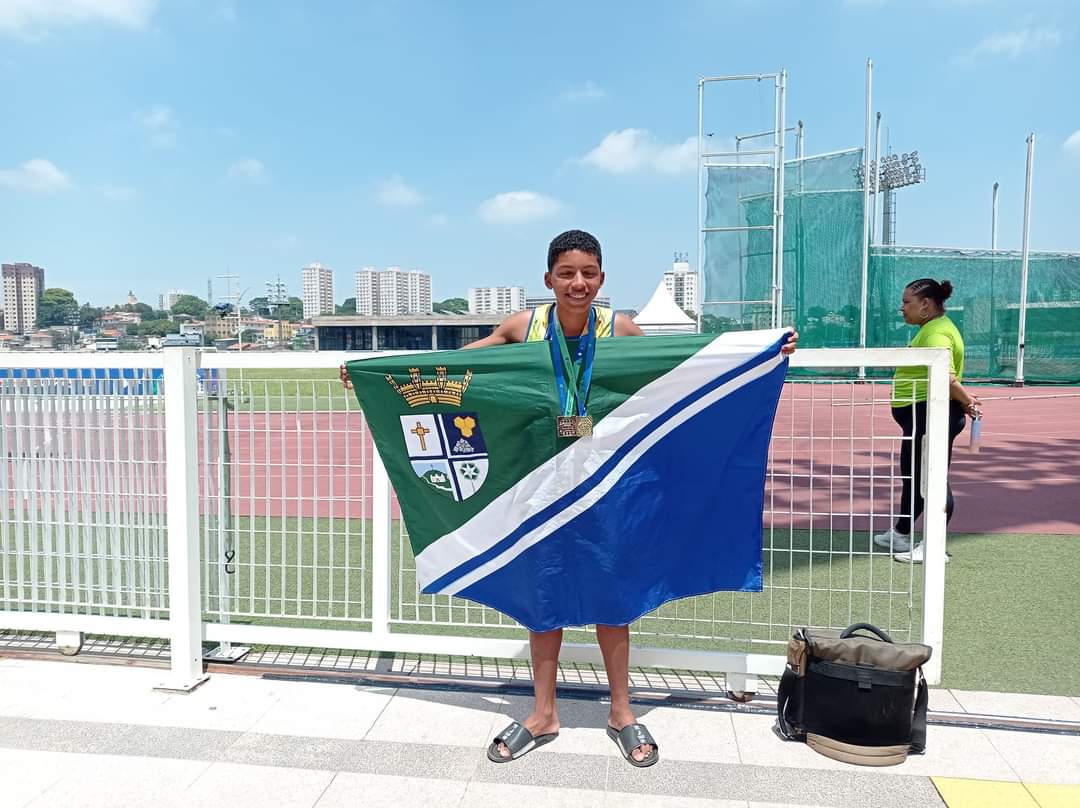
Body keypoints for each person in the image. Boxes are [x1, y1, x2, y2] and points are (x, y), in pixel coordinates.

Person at [342, 229, 798, 766]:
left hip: (608, 486)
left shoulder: (620, 328)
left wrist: (762, 351)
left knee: (615, 595)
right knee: (543, 597)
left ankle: (622, 712)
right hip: (538, 488)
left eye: (587, 273)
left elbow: (685, 367)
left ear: (602, 279)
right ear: (548, 280)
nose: (577, 283)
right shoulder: (523, 327)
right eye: (566, 274)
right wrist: (376, 376)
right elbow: (458, 367)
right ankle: (543, 713)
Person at [873, 278, 981, 564]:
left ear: (926, 304)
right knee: (914, 478)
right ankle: (901, 533)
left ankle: (935, 545)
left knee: (931, 480)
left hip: (931, 415)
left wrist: (967, 400)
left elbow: (946, 378)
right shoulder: (930, 329)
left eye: (907, 302)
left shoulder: (937, 333)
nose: (902, 308)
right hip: (920, 416)